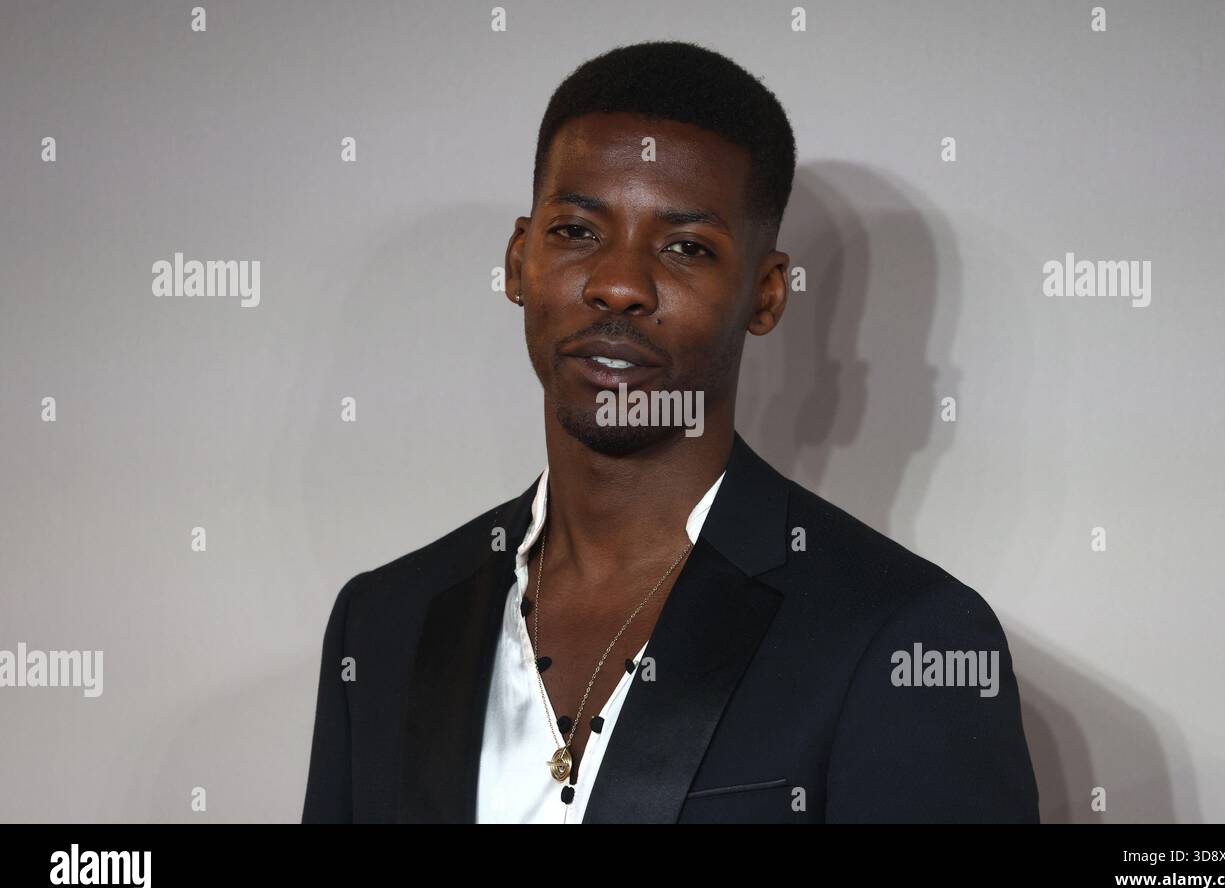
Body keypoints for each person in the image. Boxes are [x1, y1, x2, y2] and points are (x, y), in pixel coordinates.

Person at [302, 39, 1039, 823]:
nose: (618, 284)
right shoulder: (384, 619)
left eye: (686, 247)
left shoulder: (905, 637)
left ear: (764, 296)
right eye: (577, 232)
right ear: (519, 261)